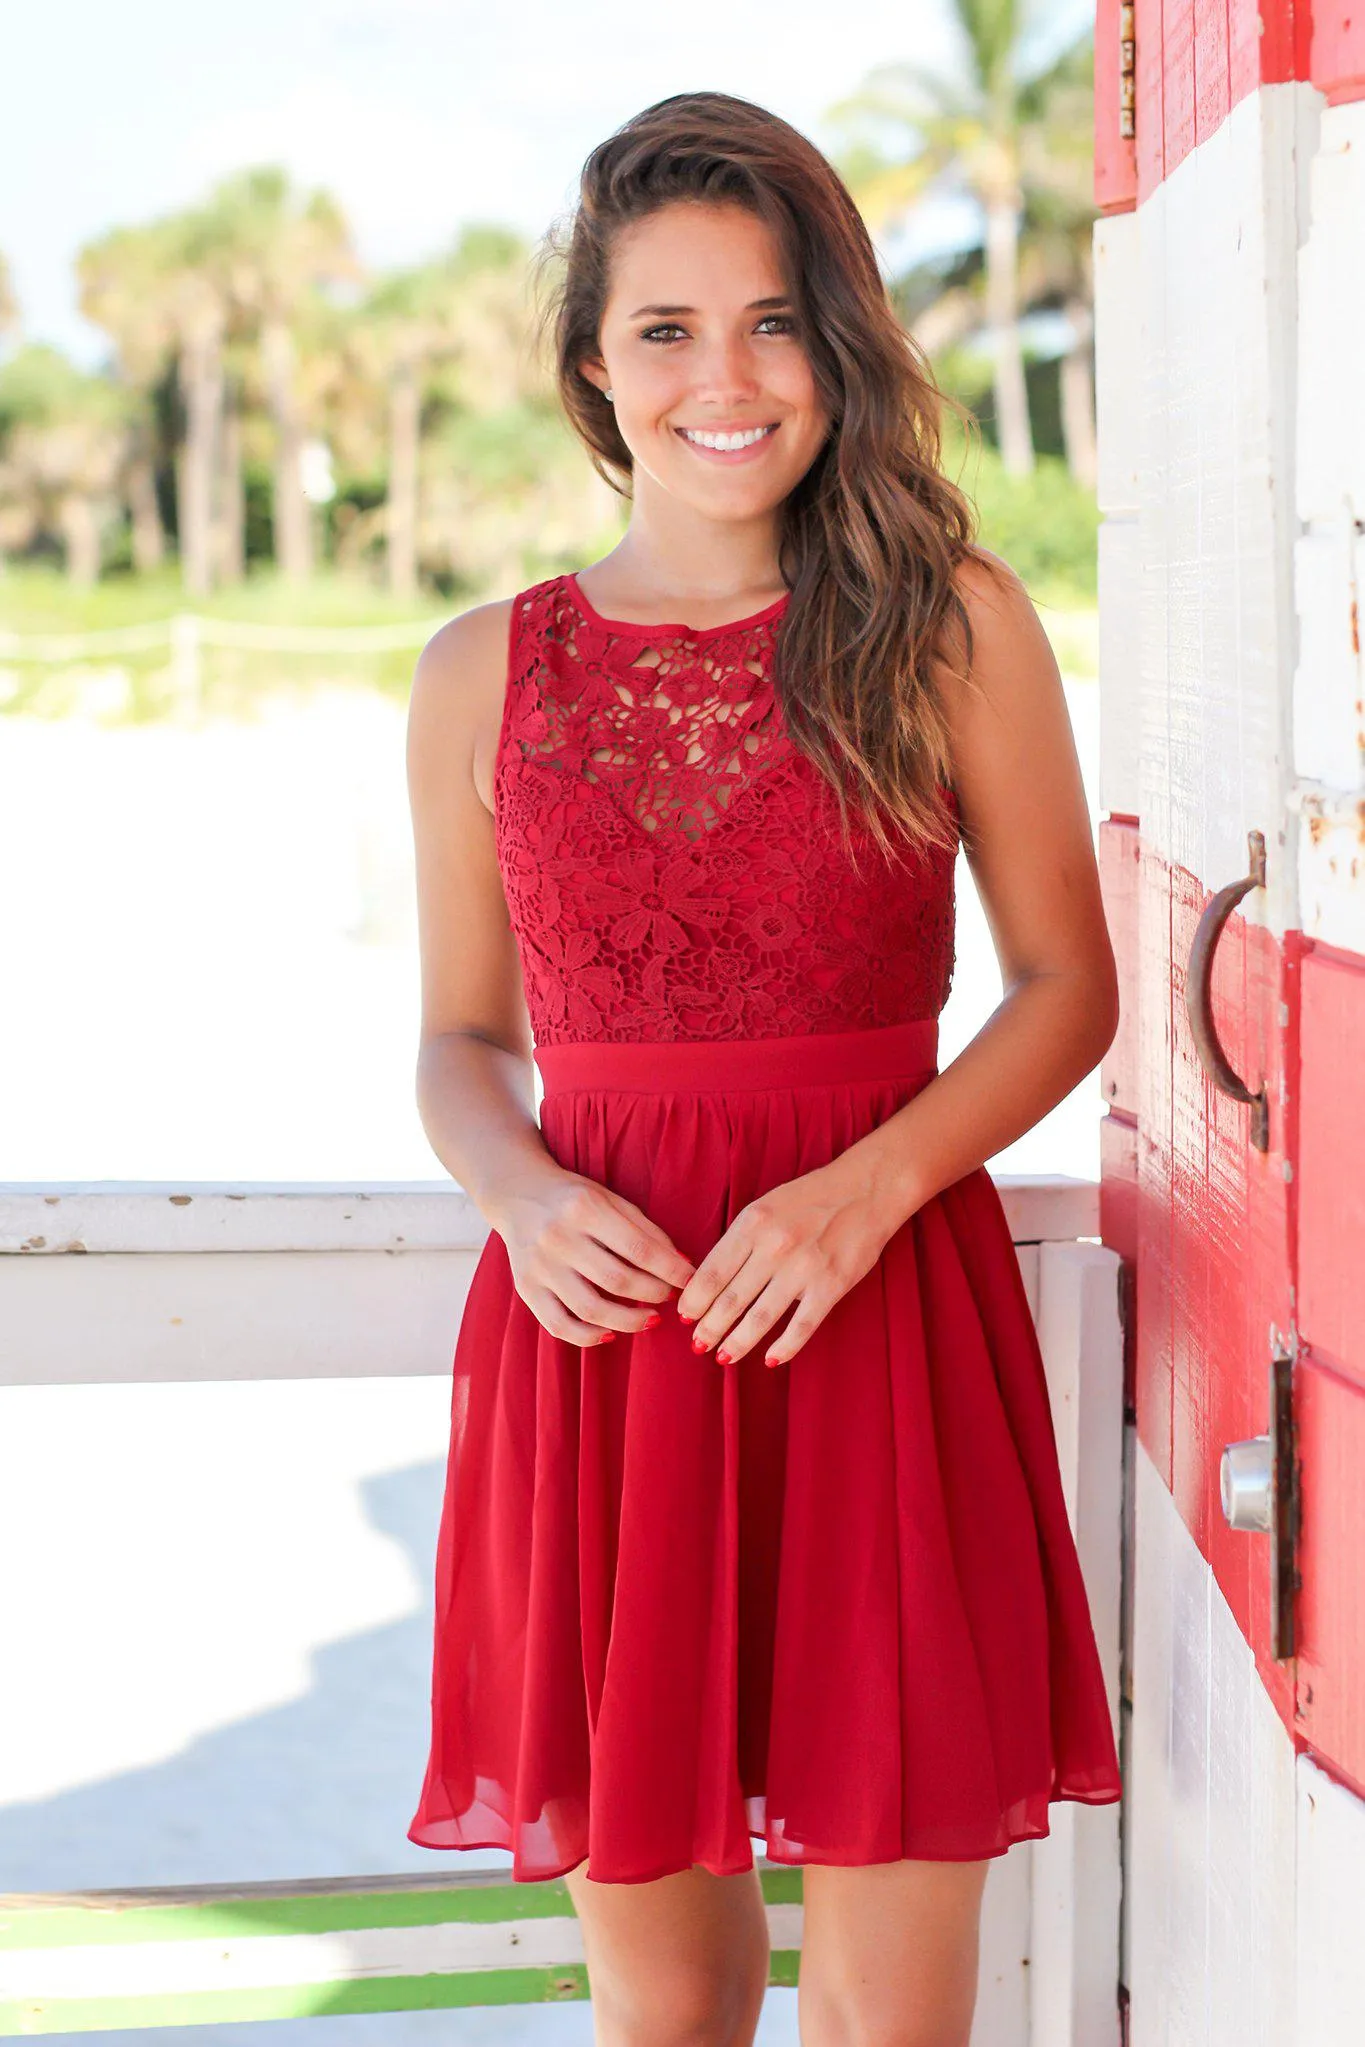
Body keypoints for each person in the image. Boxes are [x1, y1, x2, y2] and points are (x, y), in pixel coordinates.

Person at [405, 88, 1122, 2047]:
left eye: (773, 320)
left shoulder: (948, 624)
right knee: (664, 2018)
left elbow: (1067, 984)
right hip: (603, 1349)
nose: (726, 376)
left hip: (875, 1322)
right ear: (590, 370)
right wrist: (521, 1190)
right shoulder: (484, 669)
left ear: (838, 348)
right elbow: (462, 1038)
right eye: (665, 328)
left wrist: (864, 1190)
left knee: (895, 2024)